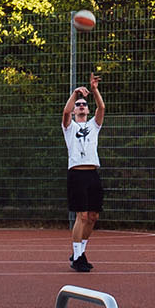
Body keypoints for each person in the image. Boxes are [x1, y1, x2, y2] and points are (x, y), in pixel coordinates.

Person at [62, 73, 105, 272]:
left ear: (87, 109)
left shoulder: (93, 126)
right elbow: (65, 112)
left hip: (92, 173)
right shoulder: (69, 127)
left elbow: (102, 108)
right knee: (82, 216)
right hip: (77, 174)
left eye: (83, 104)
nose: (81, 106)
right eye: (78, 104)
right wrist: (75, 93)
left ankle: (80, 253)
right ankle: (77, 257)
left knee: (93, 216)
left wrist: (94, 89)